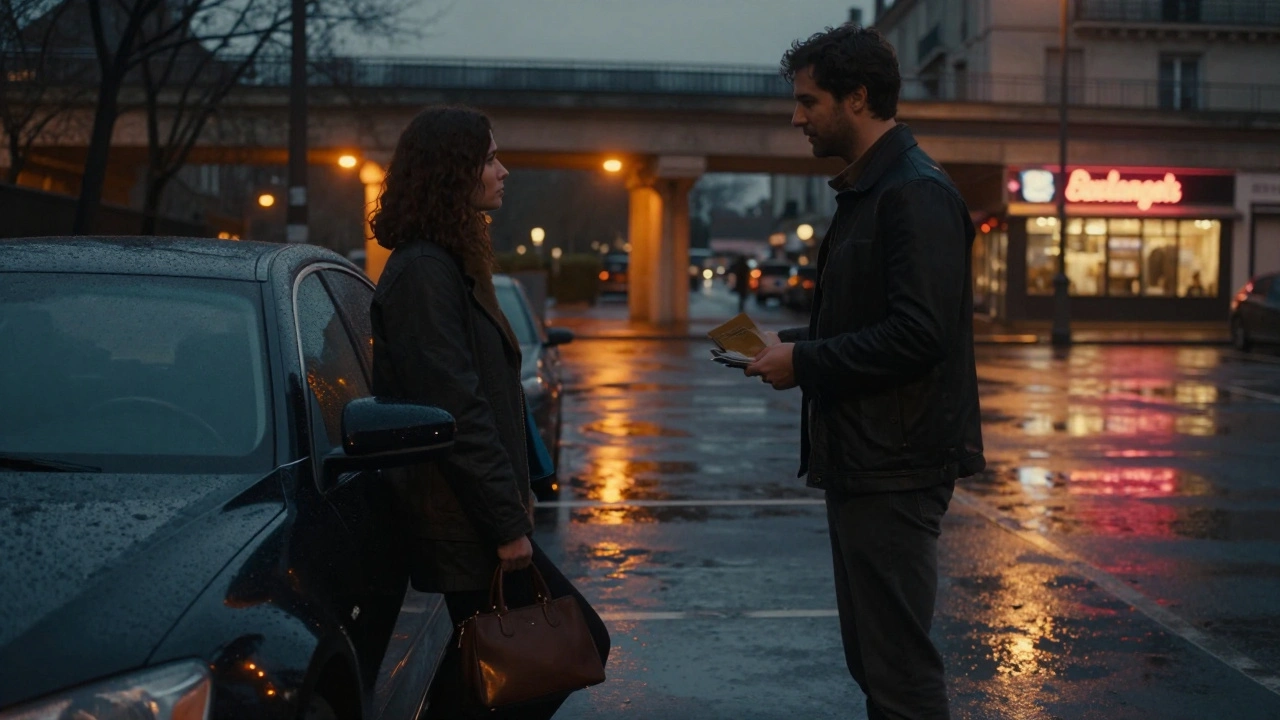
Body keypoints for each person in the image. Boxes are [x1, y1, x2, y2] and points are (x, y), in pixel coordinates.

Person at [745, 25, 984, 720]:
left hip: (896, 466)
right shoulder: (874, 191)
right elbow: (872, 320)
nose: (797, 118)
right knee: (876, 665)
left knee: (899, 674)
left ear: (856, 97)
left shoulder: (914, 193)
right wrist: (790, 342)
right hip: (869, 459)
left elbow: (920, 334)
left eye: (808, 101)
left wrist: (804, 361)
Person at [368, 106, 609, 719]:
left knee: (490, 669)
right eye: (490, 159)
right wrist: (505, 524)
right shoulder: (424, 272)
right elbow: (457, 410)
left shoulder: (447, 264)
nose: (504, 172)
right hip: (462, 516)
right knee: (561, 648)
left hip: (472, 512)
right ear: (454, 171)